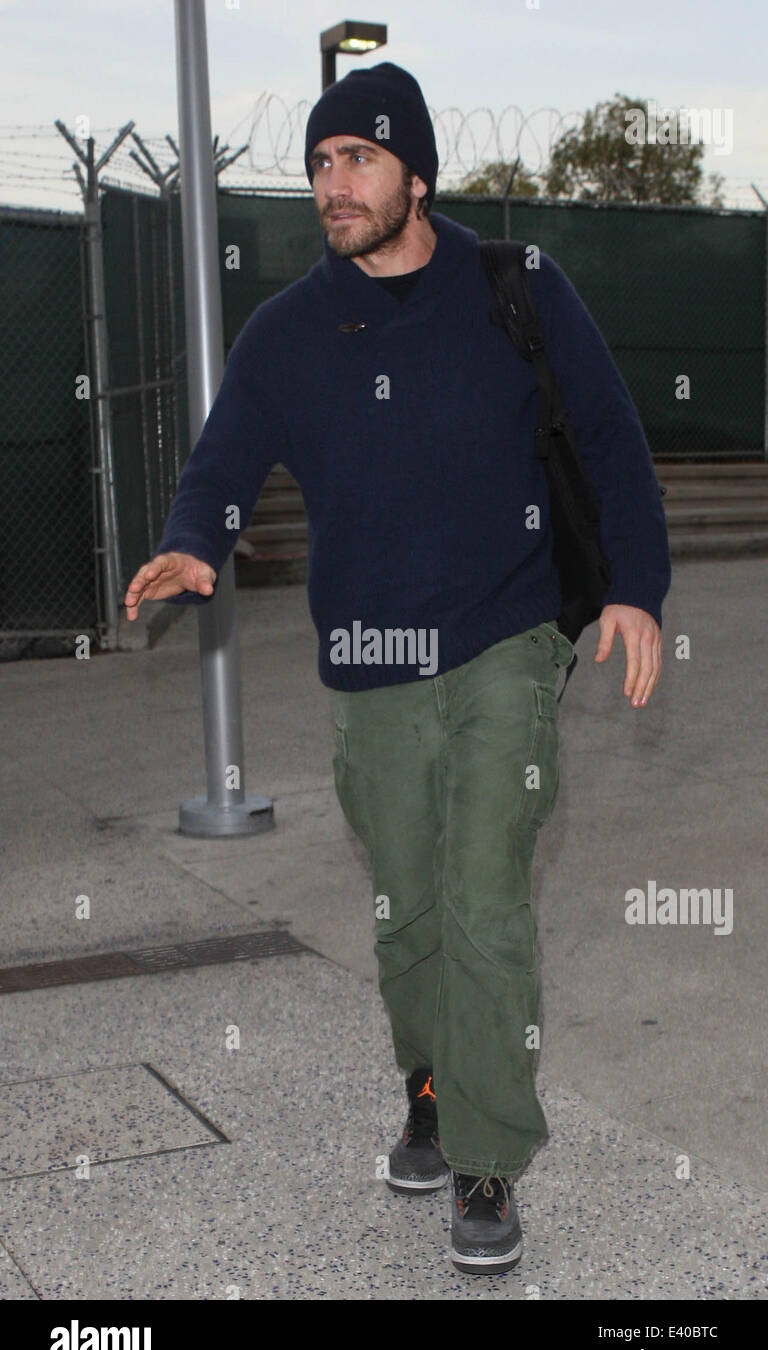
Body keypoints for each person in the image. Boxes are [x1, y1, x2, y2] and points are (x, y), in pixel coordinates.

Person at [125, 62, 671, 1277]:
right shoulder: (289, 332)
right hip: (371, 656)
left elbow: (612, 432)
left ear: (415, 177)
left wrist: (635, 587)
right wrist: (187, 541)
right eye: (320, 164)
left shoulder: (516, 289)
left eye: (358, 160)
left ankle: (486, 1157)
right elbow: (224, 463)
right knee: (409, 911)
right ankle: (430, 1086)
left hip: (507, 638)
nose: (334, 184)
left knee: (484, 895)